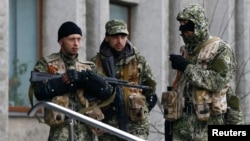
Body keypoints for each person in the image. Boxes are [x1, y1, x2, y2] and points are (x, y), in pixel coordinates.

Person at [168, 4, 243, 141]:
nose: (183, 29)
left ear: (198, 24)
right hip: (181, 124)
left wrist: (186, 67)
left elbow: (219, 81)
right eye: (181, 24)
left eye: (187, 24)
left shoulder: (221, 49)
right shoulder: (185, 50)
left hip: (207, 125)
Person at [29, 21, 114, 141]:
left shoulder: (88, 67)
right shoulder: (47, 63)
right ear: (60, 41)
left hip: (86, 132)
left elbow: (106, 93)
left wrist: (85, 80)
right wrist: (62, 82)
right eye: (71, 39)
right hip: (60, 133)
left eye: (79, 39)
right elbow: (38, 92)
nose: (76, 43)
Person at [90, 19, 157, 141]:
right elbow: (88, 94)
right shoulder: (95, 63)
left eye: (123, 36)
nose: (120, 41)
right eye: (115, 37)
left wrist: (142, 107)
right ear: (107, 38)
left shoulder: (138, 60)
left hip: (136, 126)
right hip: (108, 125)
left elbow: (150, 88)